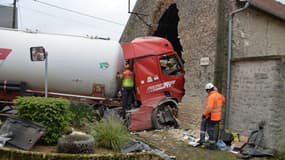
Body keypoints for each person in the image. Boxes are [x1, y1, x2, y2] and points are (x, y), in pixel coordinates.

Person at [198, 83, 225, 150]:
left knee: (210, 130)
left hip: (212, 116)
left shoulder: (211, 97)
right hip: (217, 116)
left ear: (208, 90)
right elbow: (223, 100)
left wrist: (204, 114)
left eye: (207, 91)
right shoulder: (219, 95)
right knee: (203, 124)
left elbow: (209, 108)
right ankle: (202, 140)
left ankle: (212, 145)